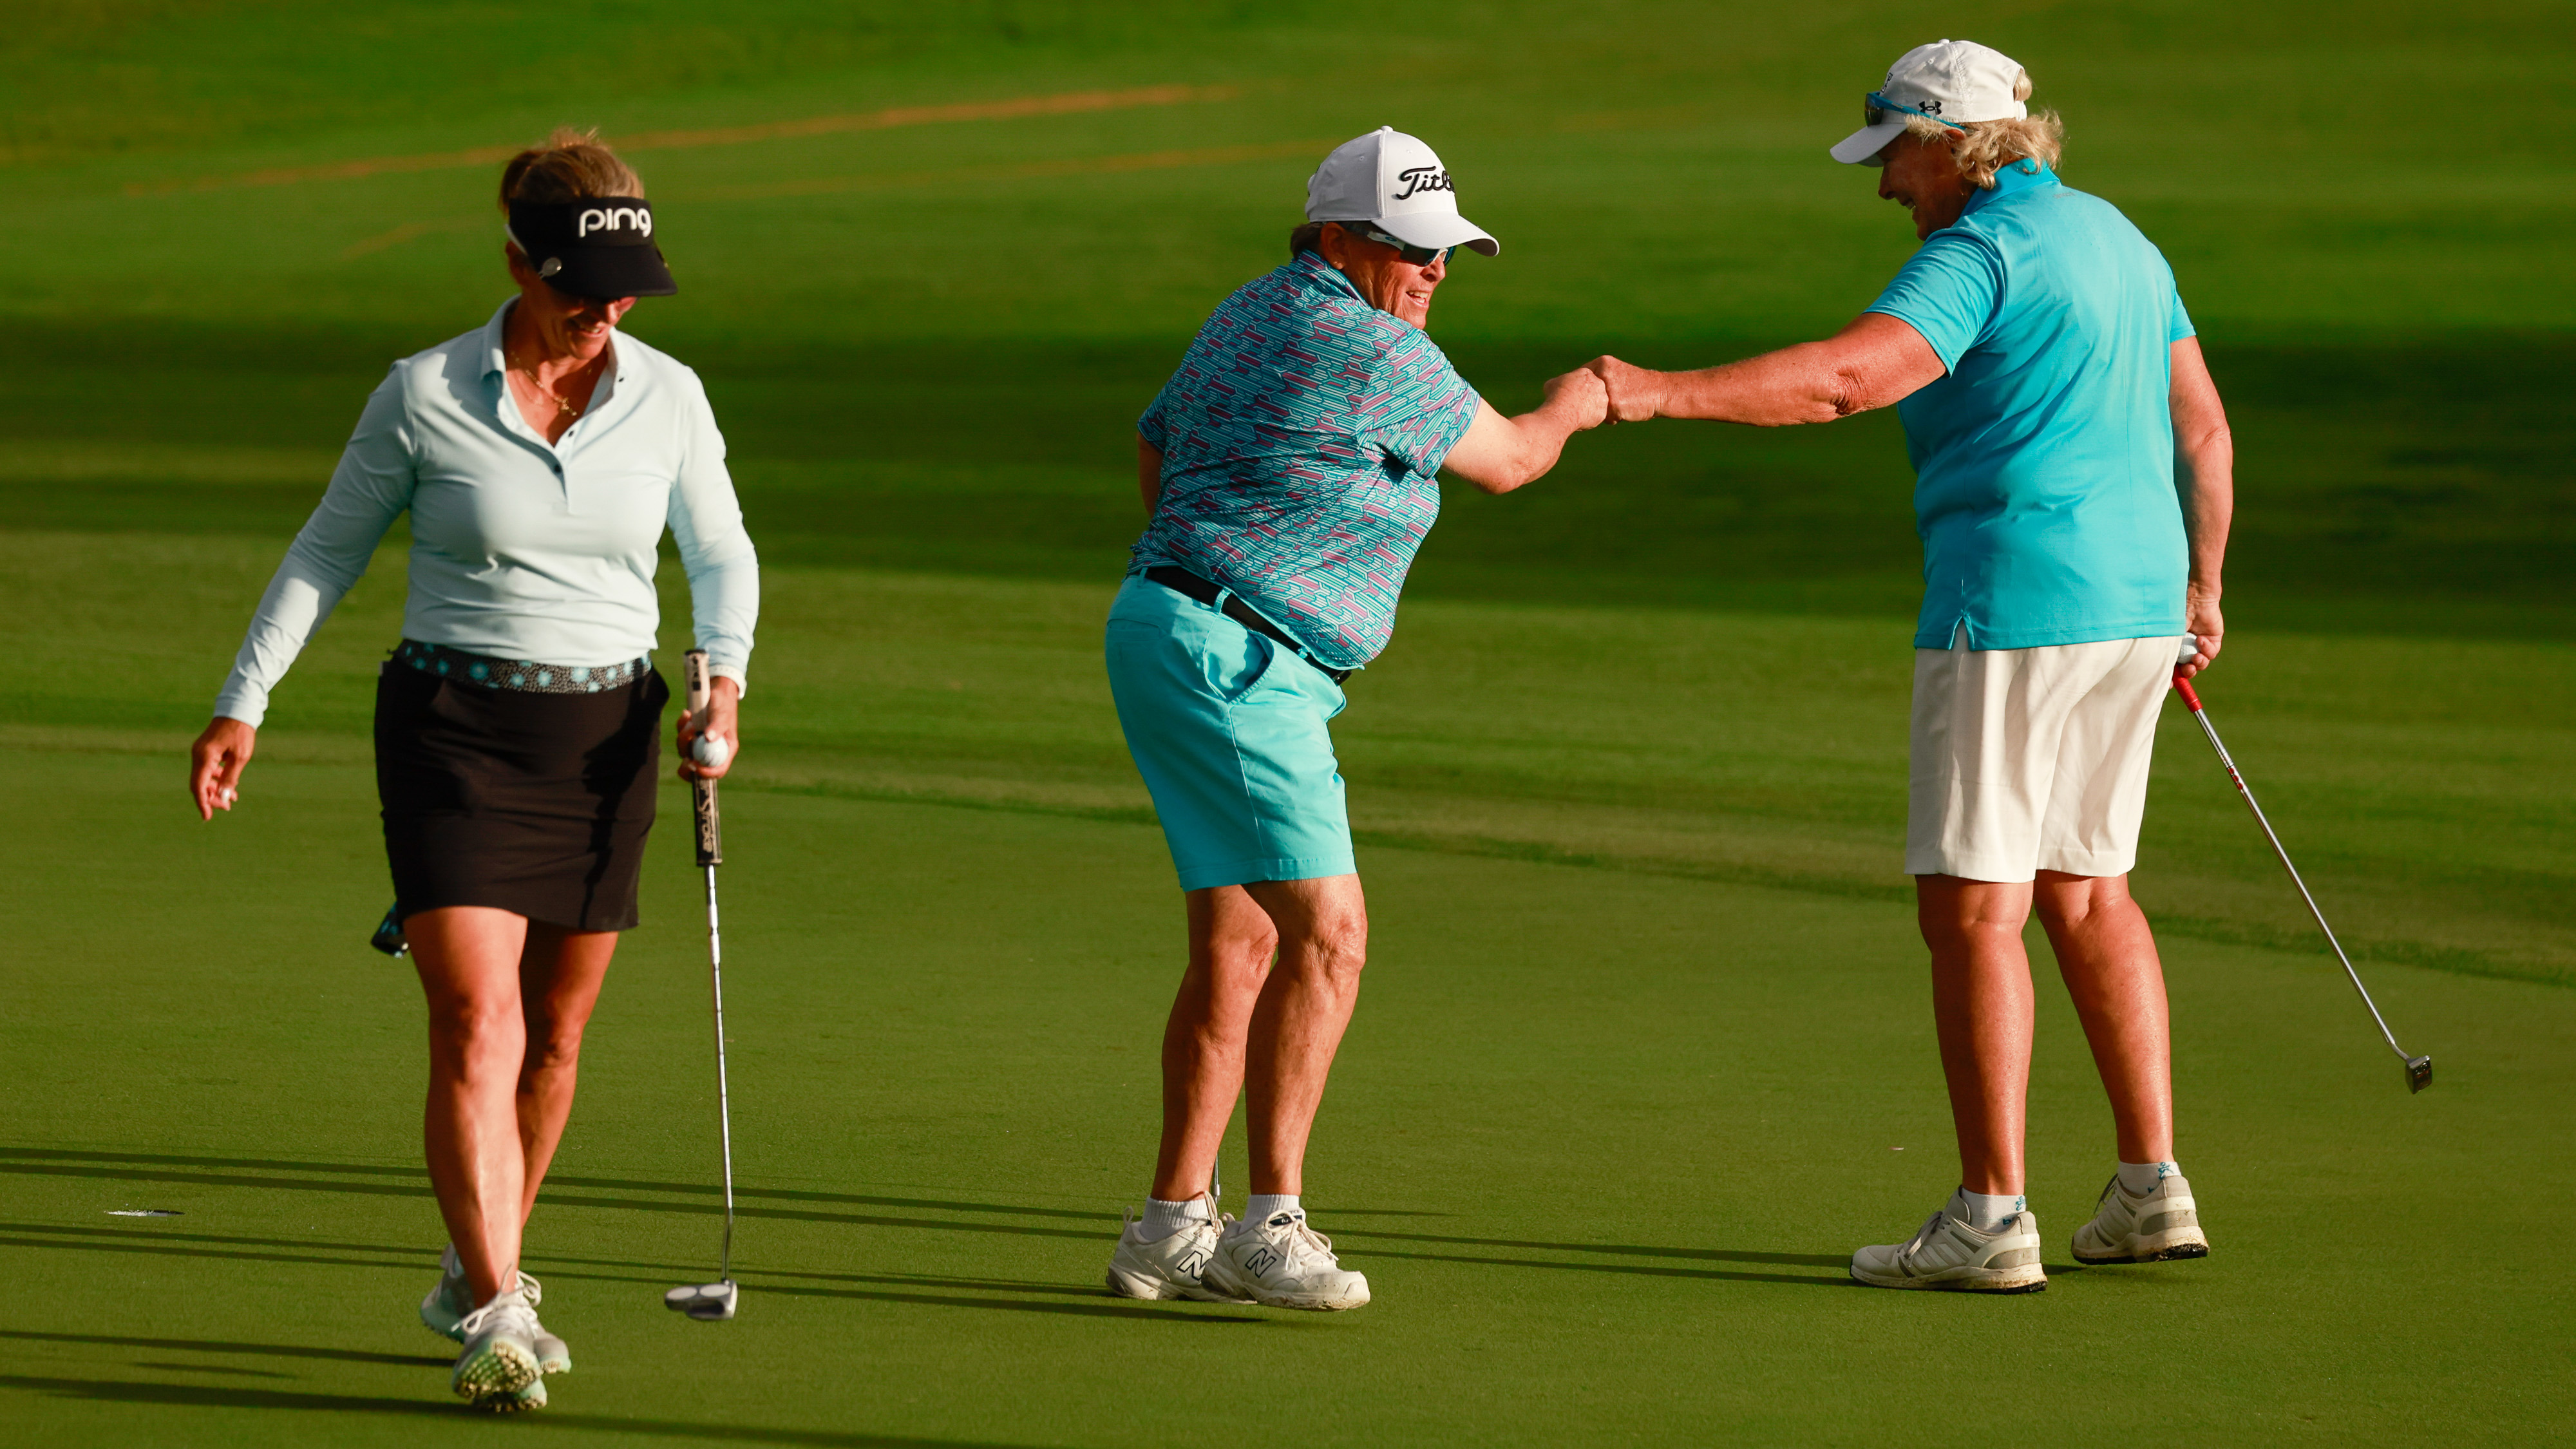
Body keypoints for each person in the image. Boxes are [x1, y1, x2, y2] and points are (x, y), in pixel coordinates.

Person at [1586, 41, 2233, 1293]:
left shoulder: (1974, 254)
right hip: (2137, 607)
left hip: (2012, 607)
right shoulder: (2118, 237)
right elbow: (2197, 423)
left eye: (1893, 151)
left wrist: (1654, 394)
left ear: (1952, 144)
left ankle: (1990, 1219)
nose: (1885, 182)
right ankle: (2149, 1187)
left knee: (1974, 907)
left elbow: (1845, 383)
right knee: (2087, 889)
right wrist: (2200, 590)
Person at [187, 129, 758, 1402]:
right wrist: (245, 703)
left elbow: (720, 552)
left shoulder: (667, 393)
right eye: (576, 292)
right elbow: (323, 553)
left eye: (621, 294)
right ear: (517, 261)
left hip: (603, 740)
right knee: (476, 1015)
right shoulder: (425, 391)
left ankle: (471, 1259)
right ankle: (500, 1308)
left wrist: (722, 672)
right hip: (454, 729)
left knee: (553, 1036)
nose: (600, 317)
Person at [1102, 128, 1607, 1310]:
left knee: (1240, 943)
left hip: (1184, 631)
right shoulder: (1375, 351)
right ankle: (1267, 1226)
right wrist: (1582, 401)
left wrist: (1199, 553)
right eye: (1412, 250)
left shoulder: (1251, 308)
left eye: (1445, 254)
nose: (1434, 272)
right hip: (1238, 659)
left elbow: (1155, 436)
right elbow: (1514, 462)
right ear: (1338, 238)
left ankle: (1170, 1223)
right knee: (1331, 935)